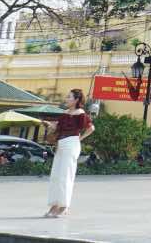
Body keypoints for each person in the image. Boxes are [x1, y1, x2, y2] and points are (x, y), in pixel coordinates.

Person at [45, 89, 94, 218]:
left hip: (71, 144)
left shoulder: (81, 113)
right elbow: (58, 127)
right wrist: (51, 125)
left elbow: (91, 128)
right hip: (61, 143)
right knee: (56, 175)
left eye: (69, 97)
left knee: (66, 176)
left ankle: (64, 206)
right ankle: (54, 205)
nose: (66, 99)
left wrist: (80, 138)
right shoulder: (65, 113)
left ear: (76, 100)